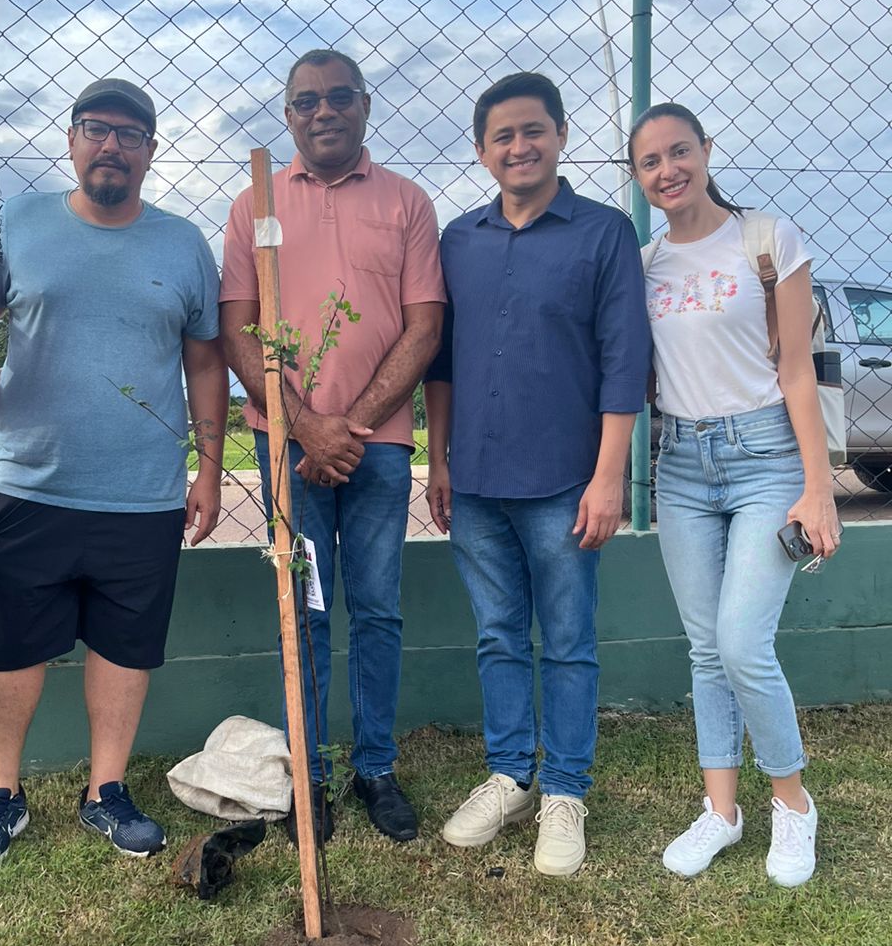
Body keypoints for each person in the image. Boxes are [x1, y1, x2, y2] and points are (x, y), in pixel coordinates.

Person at [0, 79, 226, 866]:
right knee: (9, 647)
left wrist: (207, 470)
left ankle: (104, 792)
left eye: (130, 135)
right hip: (30, 481)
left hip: (141, 493)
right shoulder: (20, 224)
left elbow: (205, 363)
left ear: (151, 151)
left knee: (126, 648)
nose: (111, 146)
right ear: (72, 141)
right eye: (95, 130)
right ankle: (0, 793)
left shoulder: (182, 245)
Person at [425, 73, 650, 875]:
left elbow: (626, 361)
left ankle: (565, 789)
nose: (519, 147)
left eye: (533, 131)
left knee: (567, 640)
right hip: (477, 481)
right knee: (496, 636)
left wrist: (608, 476)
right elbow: (442, 364)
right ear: (481, 151)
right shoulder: (458, 239)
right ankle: (509, 772)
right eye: (502, 136)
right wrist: (439, 459)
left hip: (565, 478)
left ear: (559, 135)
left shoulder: (603, 233)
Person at [220, 49, 445, 843]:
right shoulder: (255, 205)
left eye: (339, 97)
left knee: (377, 609)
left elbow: (425, 327)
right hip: (288, 448)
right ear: (287, 116)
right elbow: (238, 325)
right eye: (307, 101)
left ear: (365, 105)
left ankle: (374, 767)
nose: (324, 112)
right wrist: (302, 424)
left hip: (377, 451)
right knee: (305, 613)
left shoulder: (407, 203)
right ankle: (310, 774)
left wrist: (346, 426)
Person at [629, 103, 841, 886]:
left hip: (766, 459)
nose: (668, 170)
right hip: (681, 465)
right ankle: (722, 812)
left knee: (743, 641)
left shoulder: (766, 240)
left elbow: (795, 371)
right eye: (650, 162)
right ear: (638, 176)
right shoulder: (647, 264)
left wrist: (818, 489)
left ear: (706, 151)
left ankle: (793, 803)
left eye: (679, 151)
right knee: (706, 649)